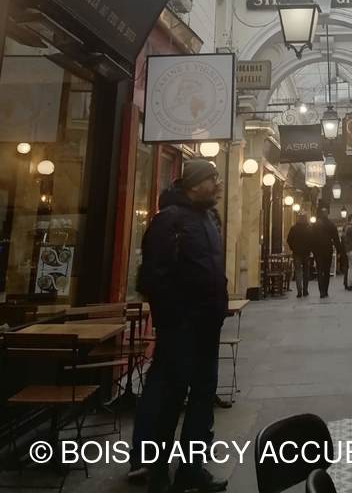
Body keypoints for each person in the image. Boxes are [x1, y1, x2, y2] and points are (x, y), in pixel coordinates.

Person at [131, 159, 229, 493]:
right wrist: (175, 318)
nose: (217, 184)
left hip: (208, 327)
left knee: (202, 399)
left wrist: (218, 307)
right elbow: (153, 278)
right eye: (212, 179)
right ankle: (158, 471)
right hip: (181, 329)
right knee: (170, 400)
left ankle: (191, 469)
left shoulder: (208, 218)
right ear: (194, 183)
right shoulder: (169, 220)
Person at [311, 206, 342, 298]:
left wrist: (312, 249)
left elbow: (311, 238)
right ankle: (325, 290)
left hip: (318, 251)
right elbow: (336, 239)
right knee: (327, 270)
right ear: (327, 214)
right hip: (328, 250)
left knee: (320, 270)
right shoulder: (331, 224)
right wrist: (339, 251)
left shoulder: (316, 225)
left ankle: (321, 291)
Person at [286, 212, 312, 298]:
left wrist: (292, 247)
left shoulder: (294, 228)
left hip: (296, 253)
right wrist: (310, 249)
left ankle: (299, 291)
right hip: (306, 253)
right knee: (306, 272)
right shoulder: (309, 228)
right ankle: (305, 290)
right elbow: (312, 240)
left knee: (298, 271)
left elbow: (289, 239)